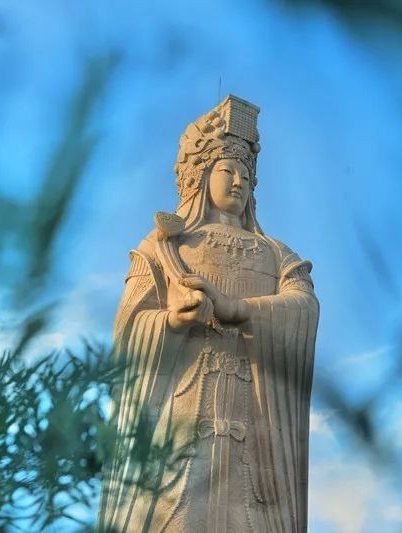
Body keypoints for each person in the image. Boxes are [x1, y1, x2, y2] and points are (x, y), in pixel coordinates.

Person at [99, 95, 319, 532]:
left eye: (246, 176)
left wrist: (238, 309)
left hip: (253, 421)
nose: (239, 182)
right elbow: (128, 328)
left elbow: (304, 306)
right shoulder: (163, 247)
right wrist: (173, 321)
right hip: (181, 413)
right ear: (201, 175)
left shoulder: (277, 254)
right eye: (227, 170)